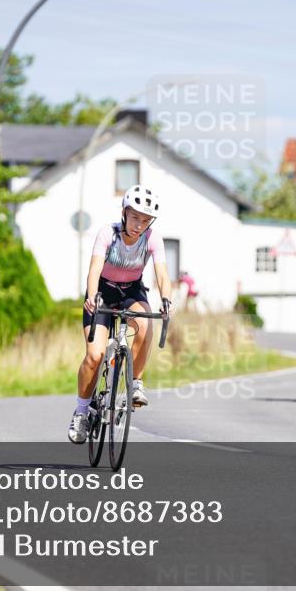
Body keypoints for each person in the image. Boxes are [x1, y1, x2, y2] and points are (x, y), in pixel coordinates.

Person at [69, 185, 174, 444]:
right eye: (135, 217)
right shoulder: (108, 233)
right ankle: (81, 412)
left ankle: (135, 383)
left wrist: (166, 299)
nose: (140, 225)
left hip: (131, 291)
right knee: (94, 356)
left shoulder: (152, 238)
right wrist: (93, 295)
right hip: (103, 291)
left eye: (146, 220)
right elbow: (94, 269)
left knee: (144, 324)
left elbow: (162, 273)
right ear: (124, 213)